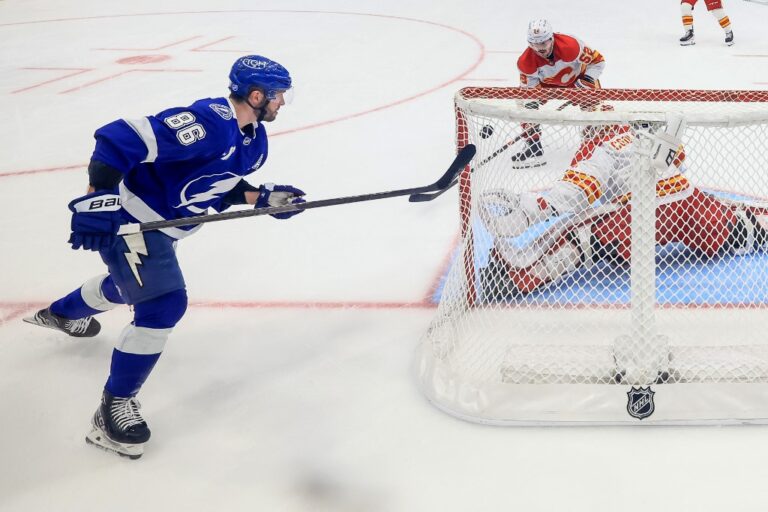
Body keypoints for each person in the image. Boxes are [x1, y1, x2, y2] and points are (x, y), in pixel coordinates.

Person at [23, 55, 305, 459]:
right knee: (161, 305)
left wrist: (260, 197)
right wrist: (97, 197)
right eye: (279, 96)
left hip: (166, 228)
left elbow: (214, 184)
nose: (283, 103)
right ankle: (112, 409)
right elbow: (120, 138)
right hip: (131, 222)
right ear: (257, 95)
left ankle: (64, 313)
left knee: (129, 287)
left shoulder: (253, 138)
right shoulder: (208, 122)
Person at [479, 115, 768, 297]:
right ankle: (757, 228)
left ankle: (517, 278)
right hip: (686, 202)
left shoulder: (597, 149)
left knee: (582, 238)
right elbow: (678, 158)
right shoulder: (642, 133)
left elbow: (580, 189)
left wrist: (536, 208)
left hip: (640, 215)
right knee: (731, 224)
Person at [512, 19, 606, 168]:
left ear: (552, 38)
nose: (539, 48)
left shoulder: (571, 46)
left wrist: (584, 82)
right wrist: (533, 112)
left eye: (543, 43)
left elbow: (598, 61)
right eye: (534, 44)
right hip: (547, 85)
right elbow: (530, 92)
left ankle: (593, 143)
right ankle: (533, 145)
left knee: (593, 108)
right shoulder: (525, 62)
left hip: (577, 80)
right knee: (523, 102)